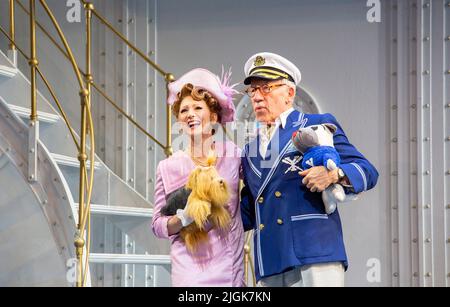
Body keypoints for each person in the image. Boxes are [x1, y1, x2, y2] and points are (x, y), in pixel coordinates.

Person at [239, 52, 379, 287]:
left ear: (289, 93)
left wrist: (334, 174)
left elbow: (368, 170)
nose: (257, 97)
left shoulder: (315, 124)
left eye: (266, 88)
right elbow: (249, 209)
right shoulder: (249, 150)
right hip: (270, 259)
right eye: (252, 90)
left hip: (314, 250)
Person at [151, 68, 245, 287]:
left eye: (197, 107)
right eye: (184, 110)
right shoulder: (168, 166)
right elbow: (157, 225)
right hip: (188, 272)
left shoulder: (233, 155)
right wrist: (183, 218)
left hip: (229, 267)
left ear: (213, 116)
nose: (189, 114)